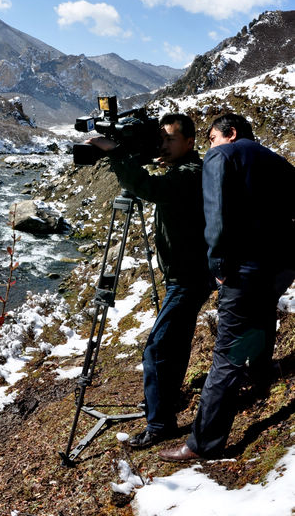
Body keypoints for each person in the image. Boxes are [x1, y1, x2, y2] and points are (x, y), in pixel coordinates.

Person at [159, 113, 295, 462]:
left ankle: (204, 443)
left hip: (244, 268)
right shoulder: (276, 160)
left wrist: (217, 262)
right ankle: (261, 375)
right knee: (264, 316)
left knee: (226, 355)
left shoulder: (223, 155)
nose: (209, 146)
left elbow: (215, 210)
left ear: (230, 133)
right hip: (279, 265)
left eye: (211, 138)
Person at [88, 113, 211, 448]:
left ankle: (159, 424)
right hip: (188, 274)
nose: (164, 144)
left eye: (171, 139)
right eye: (162, 138)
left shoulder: (189, 174)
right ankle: (165, 406)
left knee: (157, 348)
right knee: (175, 343)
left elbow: (148, 187)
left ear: (190, 142)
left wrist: (115, 153)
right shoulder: (182, 170)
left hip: (188, 277)